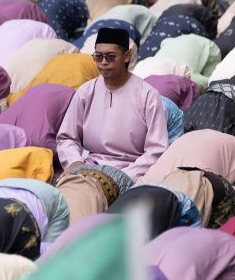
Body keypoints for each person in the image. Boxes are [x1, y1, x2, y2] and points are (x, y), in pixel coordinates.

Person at [56, 27, 169, 182]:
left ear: (126, 56)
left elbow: (157, 150)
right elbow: (67, 137)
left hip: (130, 171)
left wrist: (122, 177)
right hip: (89, 168)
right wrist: (75, 161)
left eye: (110, 57)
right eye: (98, 56)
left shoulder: (148, 95)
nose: (103, 62)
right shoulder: (86, 91)